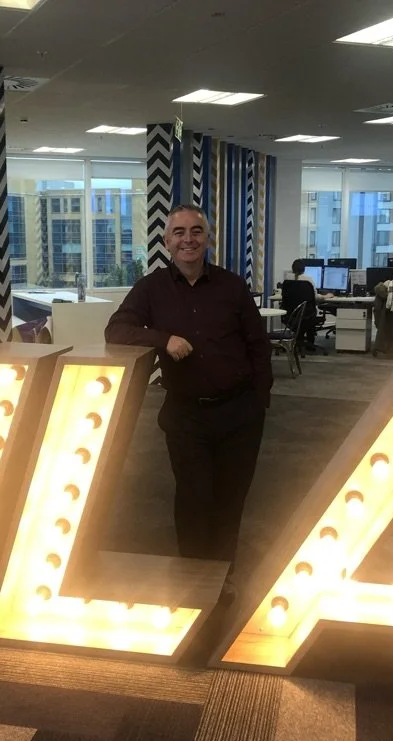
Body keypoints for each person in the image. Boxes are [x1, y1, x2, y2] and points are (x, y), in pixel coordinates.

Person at [104, 204, 273, 596]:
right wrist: (164, 339)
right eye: (179, 232)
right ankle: (195, 578)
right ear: (167, 242)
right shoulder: (151, 288)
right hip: (185, 416)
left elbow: (257, 345)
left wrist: (260, 400)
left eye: (196, 231)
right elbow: (117, 329)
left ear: (207, 239)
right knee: (193, 498)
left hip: (240, 413)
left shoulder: (232, 286)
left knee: (231, 499)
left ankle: (223, 575)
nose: (188, 239)